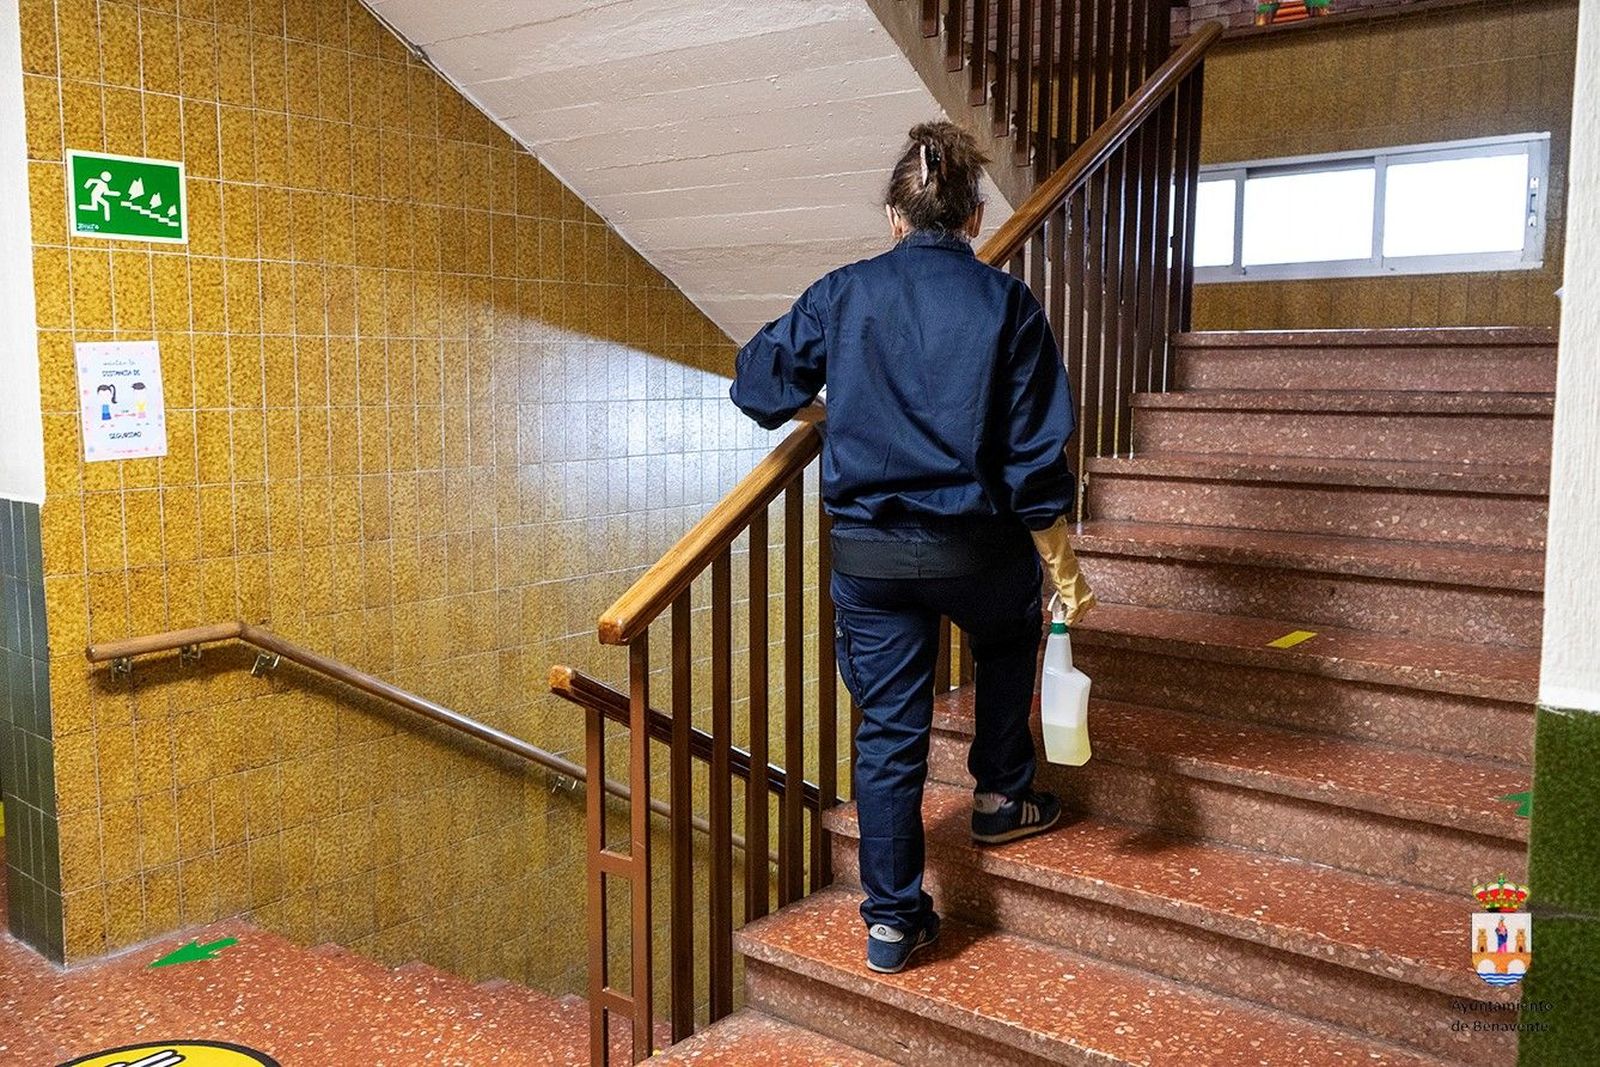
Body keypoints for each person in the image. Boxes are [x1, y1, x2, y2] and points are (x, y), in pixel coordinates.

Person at [730, 121, 1095, 975]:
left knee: (889, 733)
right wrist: (1065, 572)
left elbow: (756, 386)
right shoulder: (1008, 305)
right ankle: (1002, 791)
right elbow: (1037, 460)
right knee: (1009, 636)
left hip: (874, 560)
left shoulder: (844, 294)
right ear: (973, 218)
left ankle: (893, 923)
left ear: (897, 215)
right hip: (981, 551)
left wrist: (843, 391)